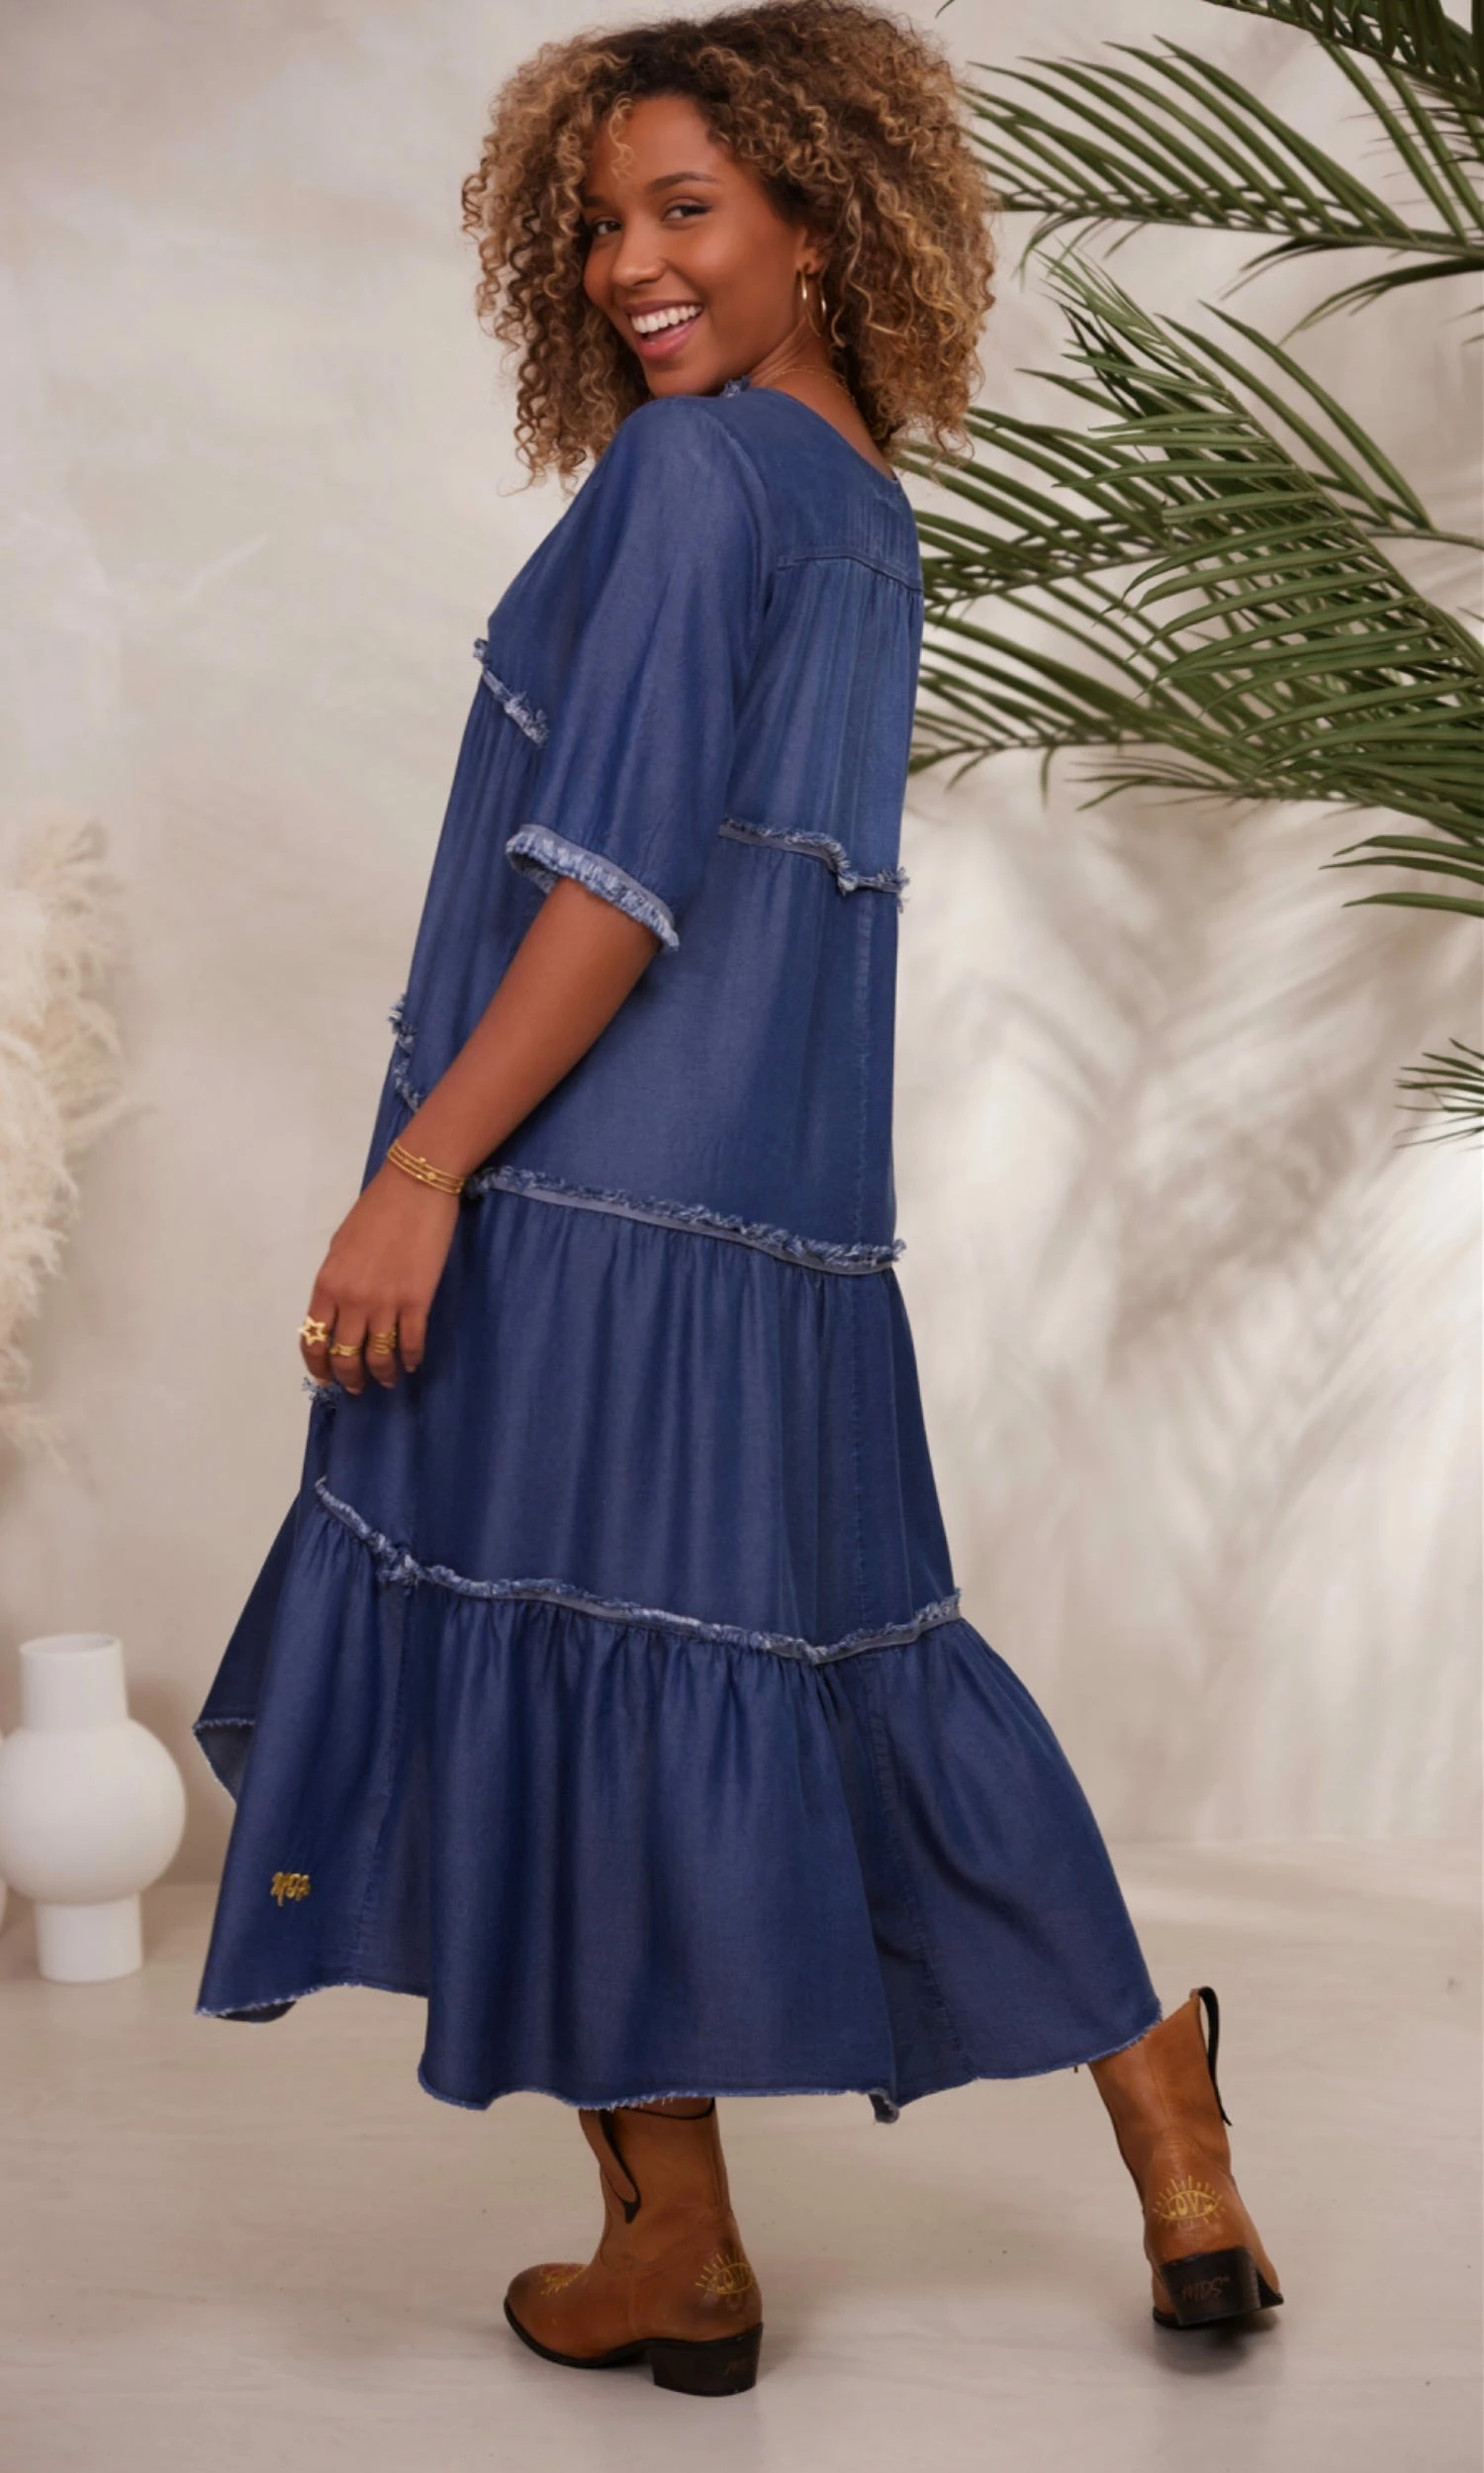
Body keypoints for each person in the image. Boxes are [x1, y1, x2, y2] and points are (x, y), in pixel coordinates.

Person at [190, 0, 1282, 2397]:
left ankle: (675, 2242)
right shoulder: (860, 499)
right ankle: (1160, 2105)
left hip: (585, 1194)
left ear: (821, 218)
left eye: (685, 208)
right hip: (784, 1215)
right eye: (602, 223)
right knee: (864, 1650)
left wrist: (422, 1172)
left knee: (554, 1658)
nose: (629, 265)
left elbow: (612, 884)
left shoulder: (692, 476)